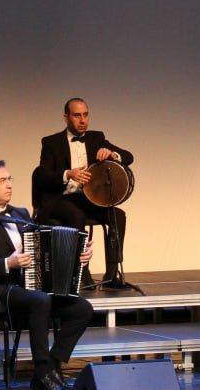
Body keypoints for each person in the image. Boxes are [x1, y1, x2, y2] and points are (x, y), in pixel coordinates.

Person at [0, 160, 95, 390]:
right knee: (40, 300)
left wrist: (77, 257)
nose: (9, 185)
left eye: (10, 179)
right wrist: (7, 263)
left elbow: (44, 250)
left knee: (82, 308)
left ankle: (52, 365)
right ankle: (42, 372)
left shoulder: (20, 215)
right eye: (2, 180)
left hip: (28, 288)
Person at [33, 98, 133, 286]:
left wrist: (112, 155)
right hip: (60, 199)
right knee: (76, 215)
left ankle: (112, 274)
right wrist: (68, 174)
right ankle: (81, 272)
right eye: (77, 115)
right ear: (66, 117)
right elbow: (42, 176)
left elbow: (129, 157)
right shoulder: (51, 142)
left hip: (87, 200)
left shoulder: (97, 138)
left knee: (118, 215)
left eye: (86, 115)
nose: (83, 120)